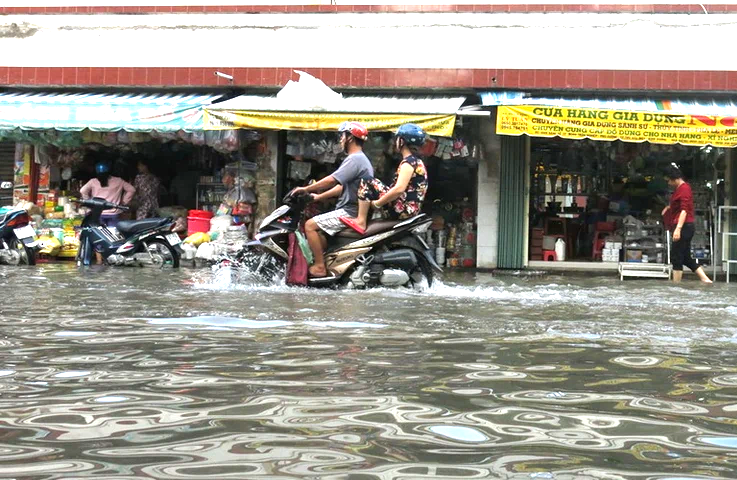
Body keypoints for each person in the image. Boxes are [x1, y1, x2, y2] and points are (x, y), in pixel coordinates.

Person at [293, 121, 373, 278]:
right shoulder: (359, 159)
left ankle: (319, 266)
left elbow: (332, 180)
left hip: (349, 212)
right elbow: (342, 186)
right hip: (349, 209)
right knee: (320, 231)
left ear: (350, 138)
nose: (341, 140)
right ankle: (326, 262)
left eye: (342, 136)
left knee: (310, 226)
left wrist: (306, 189)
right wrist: (318, 197)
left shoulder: (355, 159)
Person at [340, 123, 428, 235]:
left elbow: (399, 189)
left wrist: (378, 203)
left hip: (403, 210)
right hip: (410, 210)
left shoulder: (409, 163)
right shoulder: (418, 162)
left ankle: (360, 221)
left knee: (367, 180)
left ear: (401, 141)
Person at [662, 165, 712, 284]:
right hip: (684, 225)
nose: (668, 183)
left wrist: (678, 229)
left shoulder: (684, 189)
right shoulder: (680, 189)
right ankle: (705, 279)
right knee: (685, 257)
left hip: (684, 226)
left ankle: (676, 284)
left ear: (674, 178)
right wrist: (668, 208)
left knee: (676, 256)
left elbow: (684, 210)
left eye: (668, 180)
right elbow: (680, 206)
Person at [80, 161, 135, 228]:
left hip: (98, 213)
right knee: (113, 234)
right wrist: (124, 201)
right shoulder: (119, 181)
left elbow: (82, 191)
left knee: (100, 233)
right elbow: (132, 190)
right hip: (114, 213)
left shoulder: (93, 181)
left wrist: (89, 202)